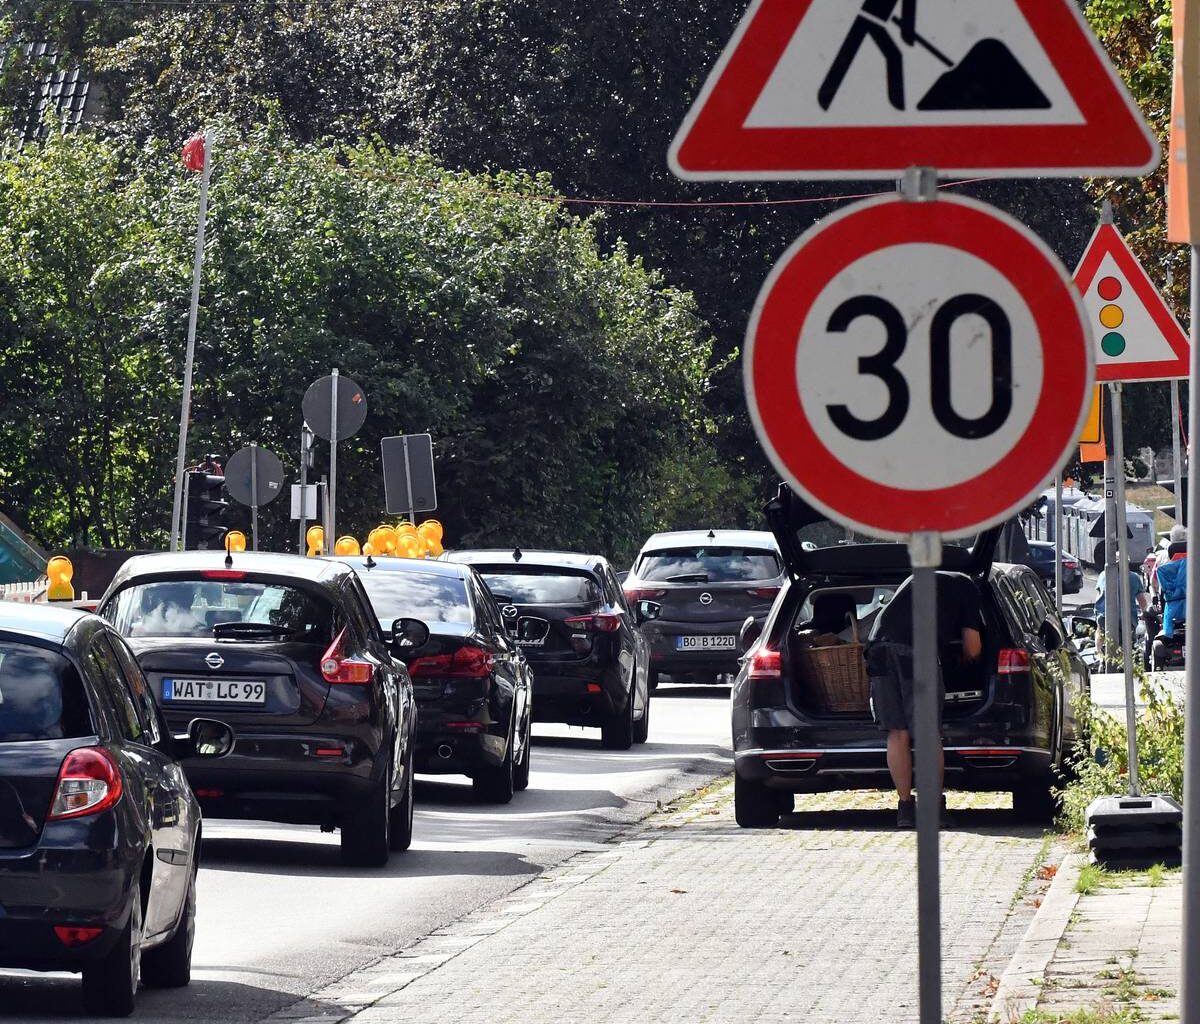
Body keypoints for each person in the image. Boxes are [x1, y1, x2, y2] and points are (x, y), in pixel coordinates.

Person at [866, 571, 984, 829]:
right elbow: (973, 647)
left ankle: (905, 809)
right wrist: (964, 662)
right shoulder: (968, 588)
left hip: (878, 649)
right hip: (916, 652)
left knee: (898, 732)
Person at [818, 0, 917, 112]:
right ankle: (825, 97)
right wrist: (908, 34)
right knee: (894, 56)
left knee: (893, 55)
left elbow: (908, 11)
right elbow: (908, 12)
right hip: (868, 18)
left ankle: (825, 97)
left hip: (872, 20)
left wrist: (908, 34)